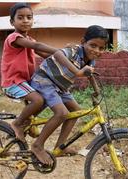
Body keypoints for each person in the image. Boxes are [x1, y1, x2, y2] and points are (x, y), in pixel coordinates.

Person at [30, 25, 109, 165]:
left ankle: (60, 146)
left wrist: (96, 90)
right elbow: (58, 54)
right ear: (83, 41)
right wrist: (78, 72)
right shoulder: (72, 50)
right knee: (61, 113)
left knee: (77, 111)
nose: (97, 50)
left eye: (101, 48)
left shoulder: (91, 59)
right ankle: (37, 145)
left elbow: (89, 74)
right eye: (93, 45)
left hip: (60, 87)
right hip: (44, 80)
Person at [1, 3, 57, 142]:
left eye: (29, 17)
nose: (25, 20)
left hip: (26, 82)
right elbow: (37, 46)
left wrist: (64, 60)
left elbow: (44, 54)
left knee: (45, 99)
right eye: (20, 17)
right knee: (38, 100)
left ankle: (24, 124)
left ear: (32, 20)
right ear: (12, 22)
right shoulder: (13, 38)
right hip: (13, 82)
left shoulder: (30, 40)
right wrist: (59, 50)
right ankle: (17, 123)